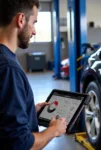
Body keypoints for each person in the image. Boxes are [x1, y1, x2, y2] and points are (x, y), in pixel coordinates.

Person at [0, 0, 67, 149]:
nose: (34, 31)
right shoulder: (9, 68)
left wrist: (28, 111)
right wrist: (53, 130)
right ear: (21, 20)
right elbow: (21, 144)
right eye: (34, 22)